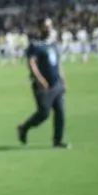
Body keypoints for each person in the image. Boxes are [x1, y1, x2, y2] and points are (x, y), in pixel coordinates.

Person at [16, 19, 69, 149]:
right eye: (46, 26)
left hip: (56, 84)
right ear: (40, 28)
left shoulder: (53, 44)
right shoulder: (35, 45)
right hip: (43, 86)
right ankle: (24, 128)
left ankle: (57, 140)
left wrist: (63, 79)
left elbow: (58, 63)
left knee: (60, 112)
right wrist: (39, 79)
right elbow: (32, 63)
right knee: (44, 113)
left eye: (50, 26)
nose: (49, 29)